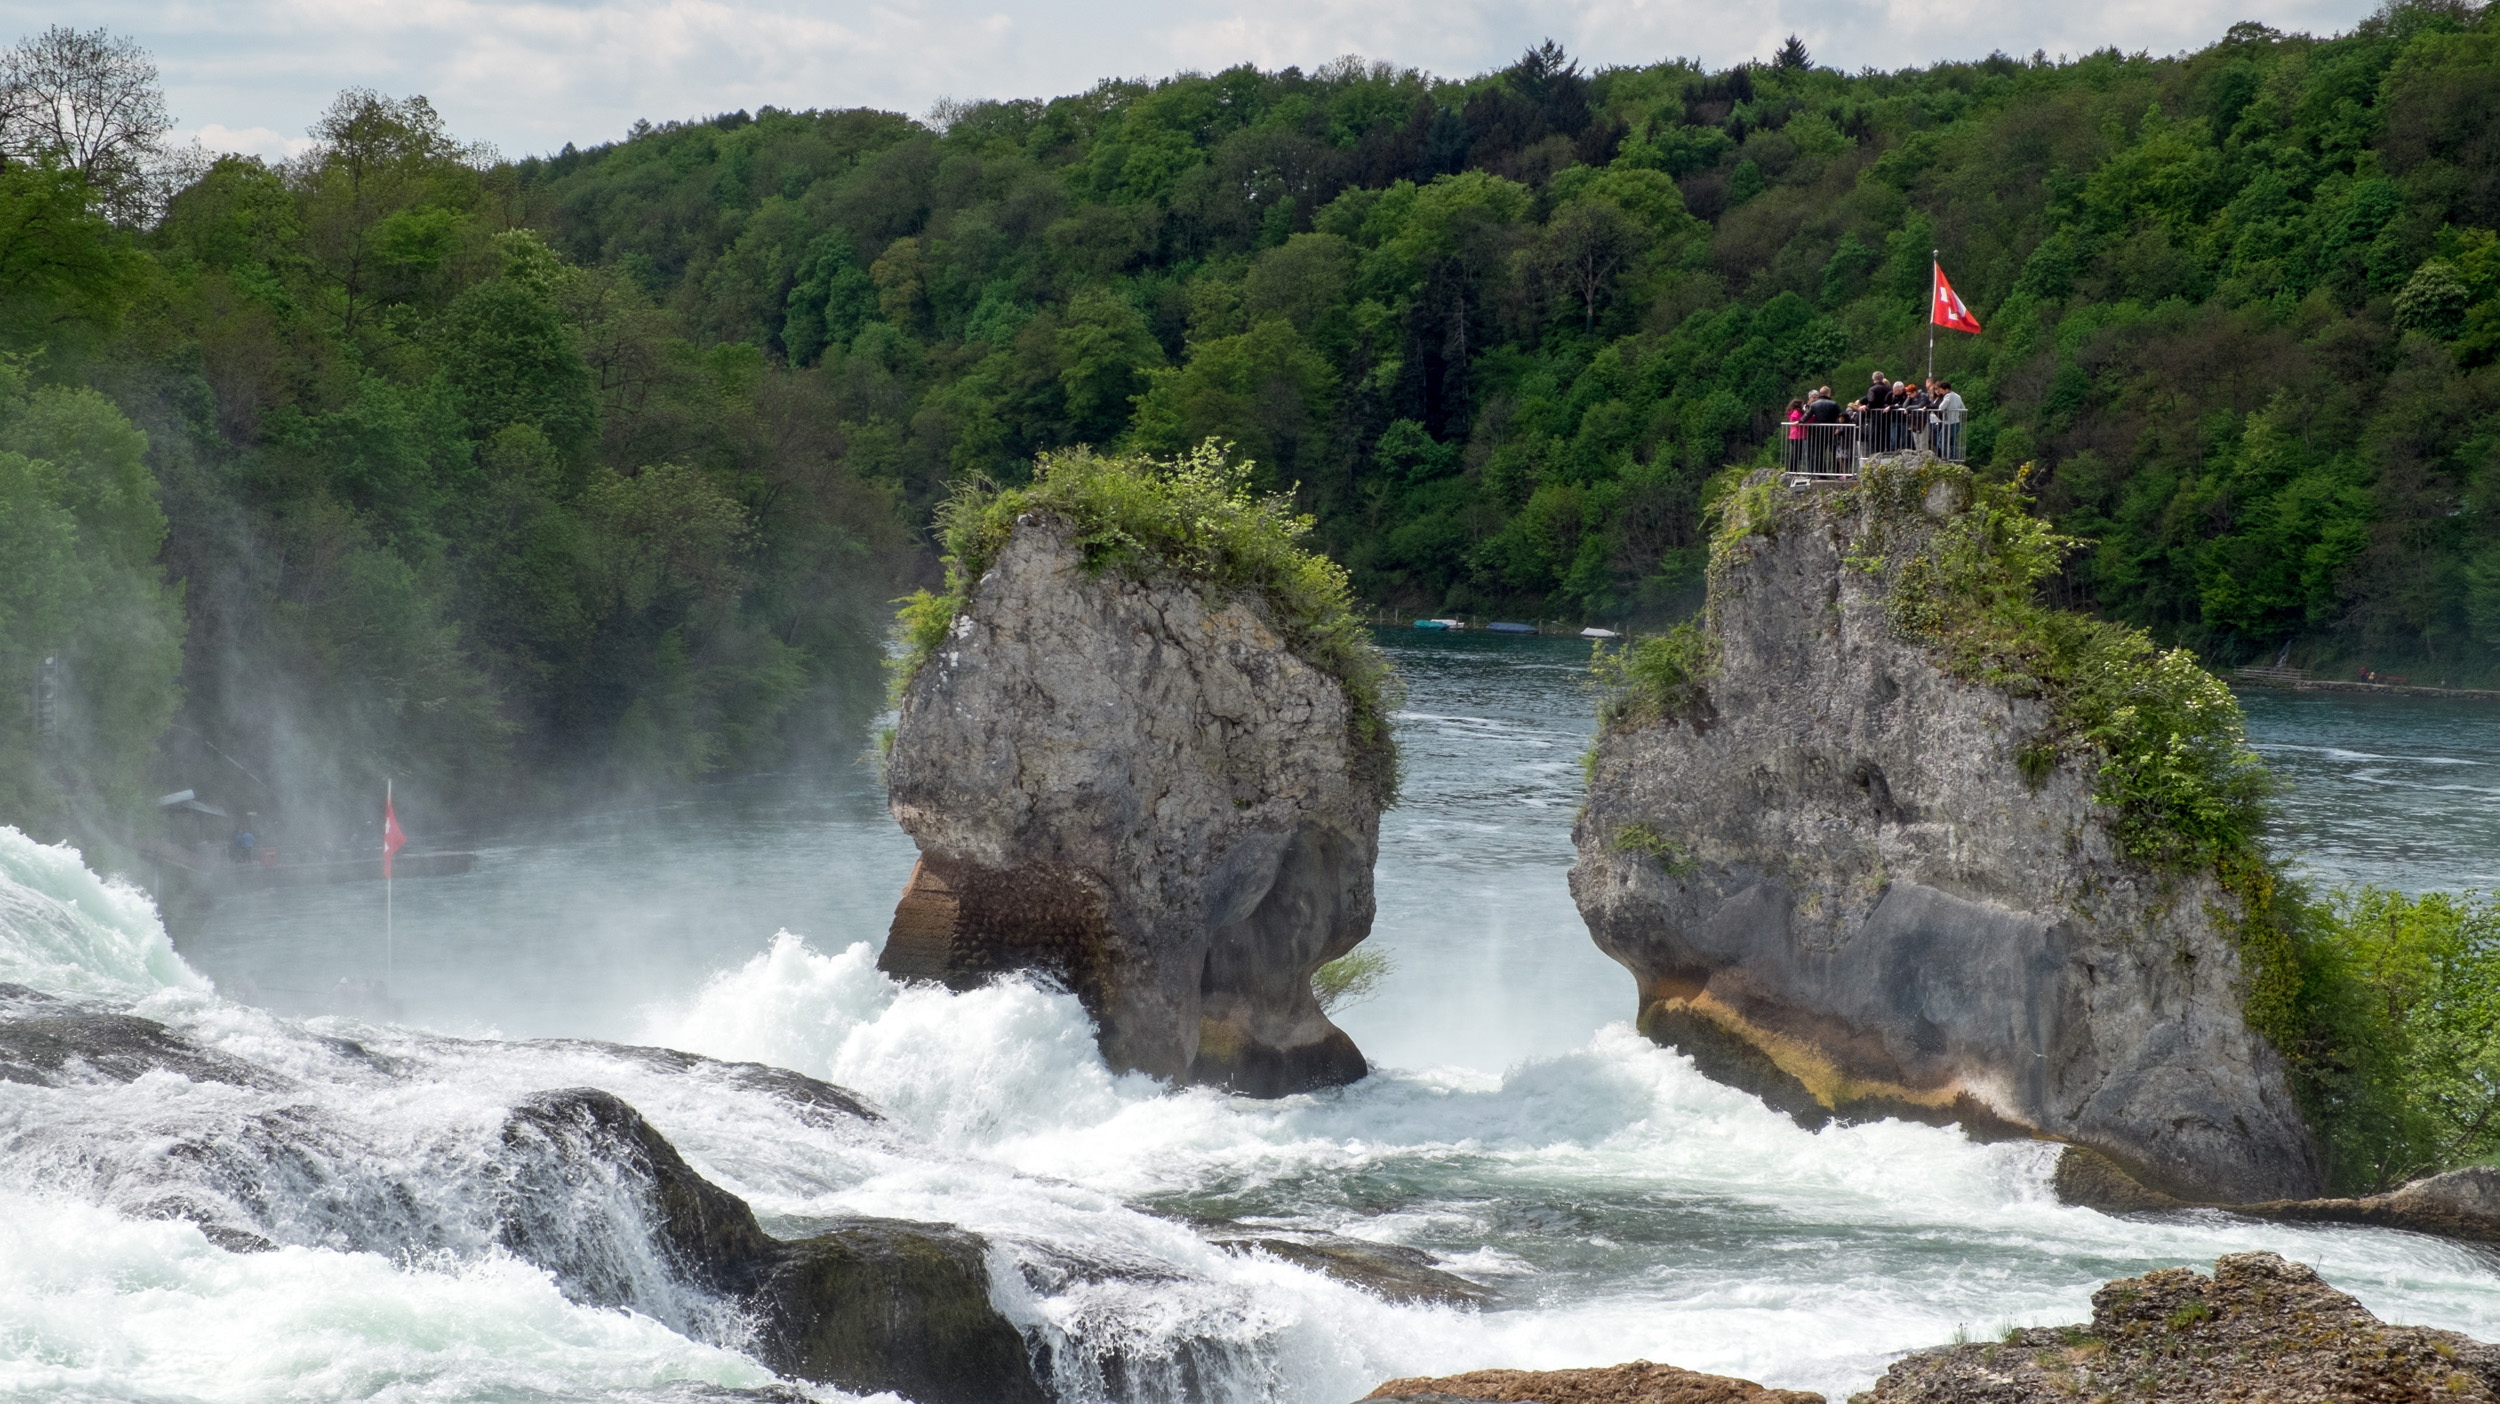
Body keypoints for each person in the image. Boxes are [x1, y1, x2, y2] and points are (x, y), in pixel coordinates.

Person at [1935, 379, 1965, 461]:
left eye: (1941, 390)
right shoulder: (1957, 396)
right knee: (1952, 442)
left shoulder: (1948, 396)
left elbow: (1941, 407)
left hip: (1949, 423)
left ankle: (1946, 457)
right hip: (1957, 422)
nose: (1940, 392)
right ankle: (1953, 458)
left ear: (1947, 389)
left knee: (1941, 442)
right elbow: (1962, 407)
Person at [1784, 397, 1806, 470]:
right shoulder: (1797, 412)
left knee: (1797, 452)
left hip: (1795, 435)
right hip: (1797, 435)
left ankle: (1794, 468)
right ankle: (1793, 469)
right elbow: (1795, 418)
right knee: (1797, 453)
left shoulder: (1794, 412)